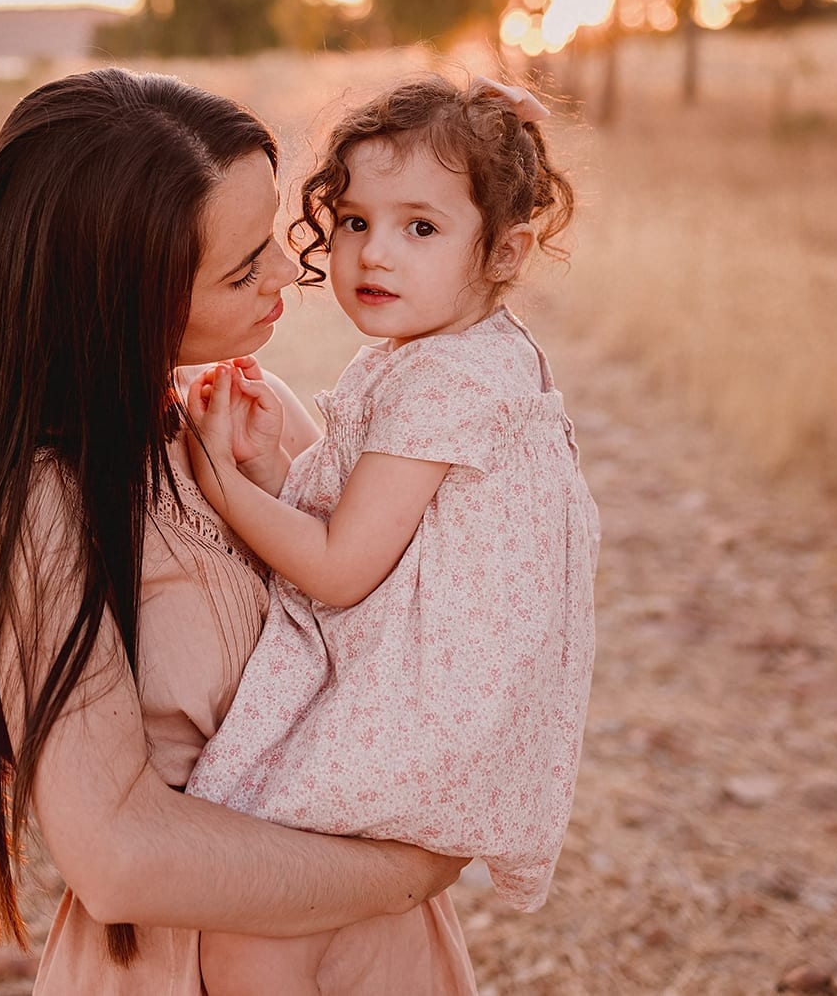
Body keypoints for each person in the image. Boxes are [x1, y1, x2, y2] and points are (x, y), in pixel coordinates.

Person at [0, 67, 477, 994]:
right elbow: (117, 853)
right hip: (195, 961)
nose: (290, 272)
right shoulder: (46, 512)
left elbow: (418, 607)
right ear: (119, 300)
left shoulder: (245, 408)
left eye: (273, 237)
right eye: (243, 267)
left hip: (376, 957)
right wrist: (401, 872)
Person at [181, 74, 600, 996]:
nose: (374, 253)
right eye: (355, 220)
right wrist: (274, 472)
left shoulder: (443, 383)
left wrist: (220, 481)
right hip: (446, 697)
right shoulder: (470, 352)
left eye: (421, 228)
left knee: (249, 923)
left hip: (421, 713)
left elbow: (340, 568)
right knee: (279, 926)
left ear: (504, 251)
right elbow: (382, 524)